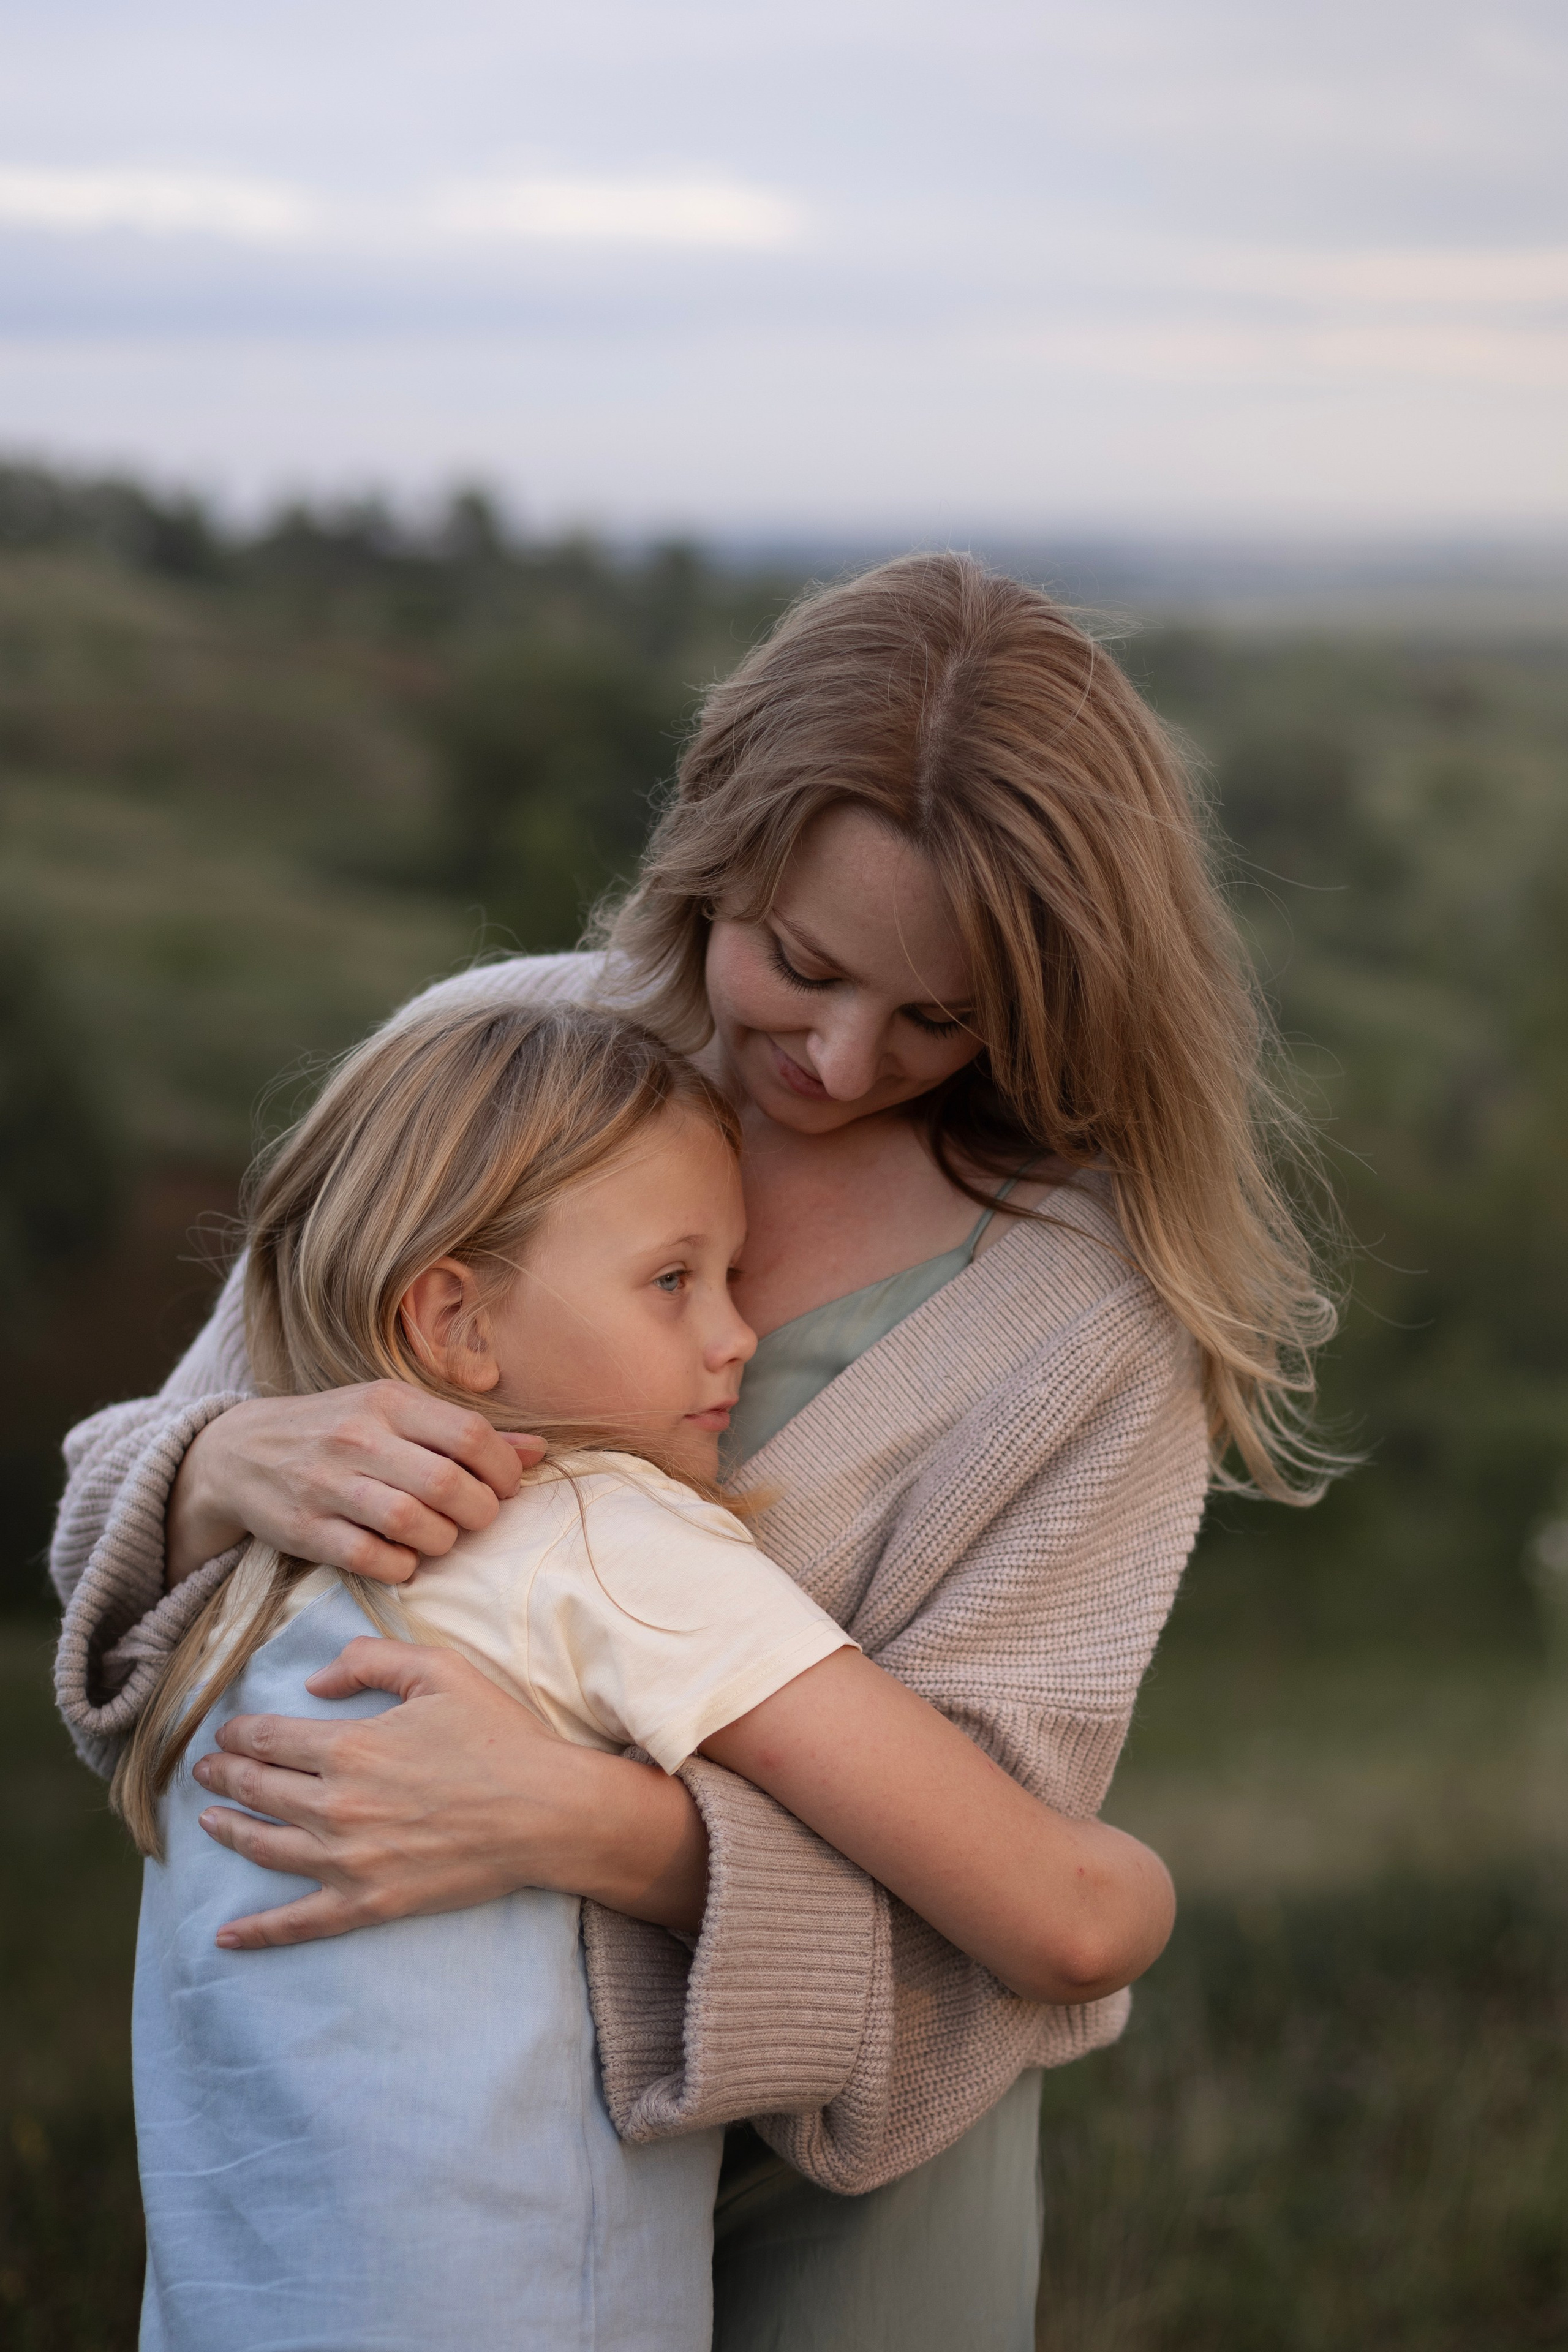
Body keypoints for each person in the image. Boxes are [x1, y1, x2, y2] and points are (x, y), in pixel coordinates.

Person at [54, 553, 1333, 2351]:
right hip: (419, 2149)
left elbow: (1006, 1882)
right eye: (798, 964)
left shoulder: (1089, 1319)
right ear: (711, 847)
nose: (834, 1053)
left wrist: (596, 1832)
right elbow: (158, 1601)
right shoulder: (489, 1067)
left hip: (850, 2171)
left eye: (939, 1016)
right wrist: (219, 1465)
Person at [120, 996, 1174, 2352]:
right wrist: (1141, 1886)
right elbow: (1071, 1925)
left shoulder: (230, 1593)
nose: (738, 1334)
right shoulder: (598, 1546)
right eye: (676, 1280)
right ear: (454, 1318)